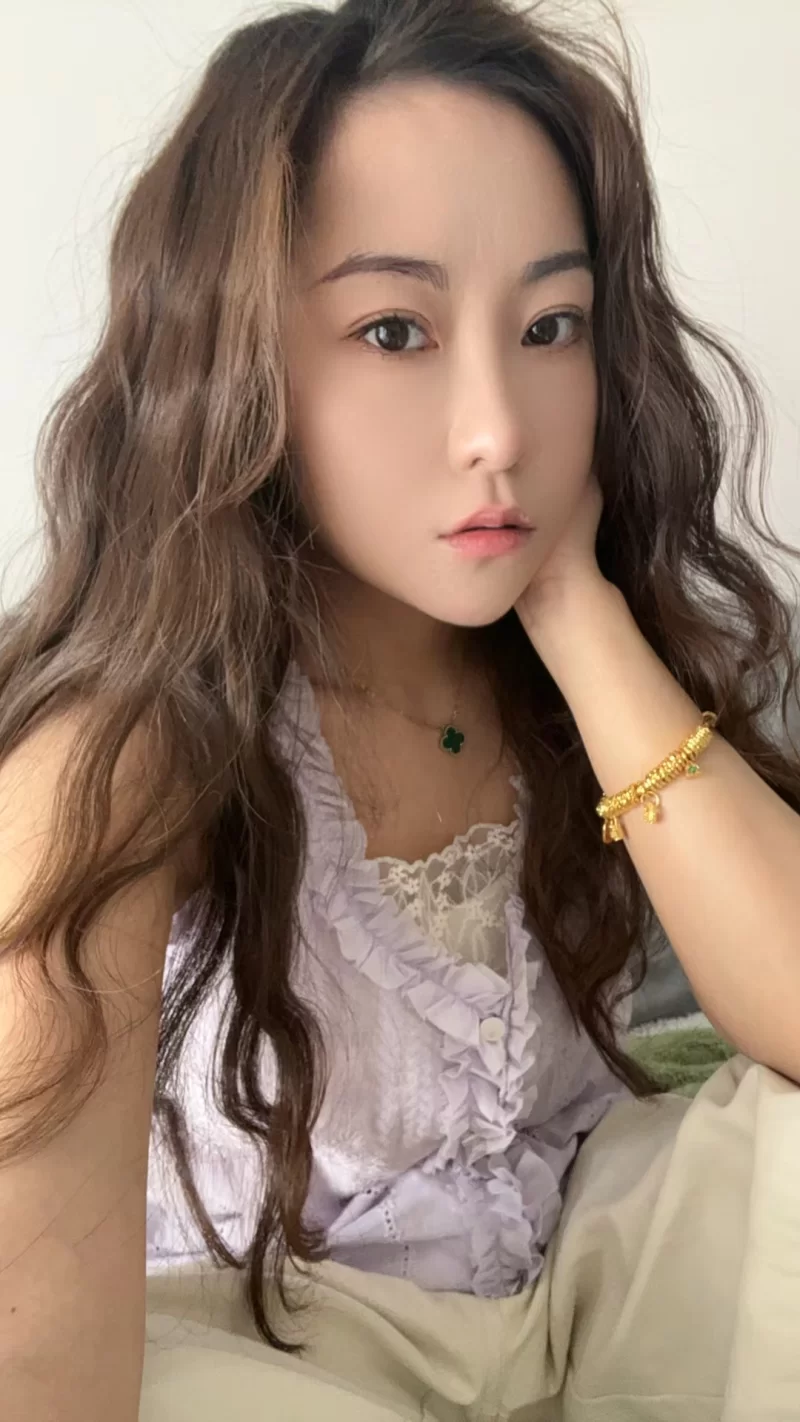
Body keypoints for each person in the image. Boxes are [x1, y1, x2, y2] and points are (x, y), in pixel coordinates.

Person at [1, 0, 799, 1418]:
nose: (500, 428)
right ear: (232, 361)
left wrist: (577, 614)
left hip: (582, 1288)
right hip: (273, 1347)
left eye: (550, 325)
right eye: (393, 329)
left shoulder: (578, 659)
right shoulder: (122, 754)